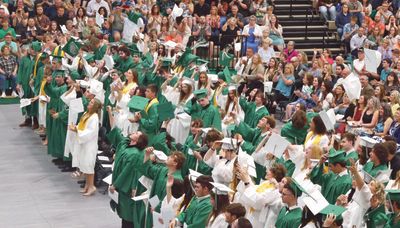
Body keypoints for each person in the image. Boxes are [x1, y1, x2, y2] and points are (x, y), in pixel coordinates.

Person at [69, 98, 102, 196]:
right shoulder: (86, 114)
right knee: (84, 165)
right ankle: (87, 185)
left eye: (91, 102)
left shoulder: (95, 117)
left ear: (95, 106)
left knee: (89, 166)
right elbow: (81, 125)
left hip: (89, 144)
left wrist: (77, 131)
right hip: (83, 143)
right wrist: (75, 127)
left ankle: (92, 187)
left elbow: (90, 132)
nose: (89, 103)